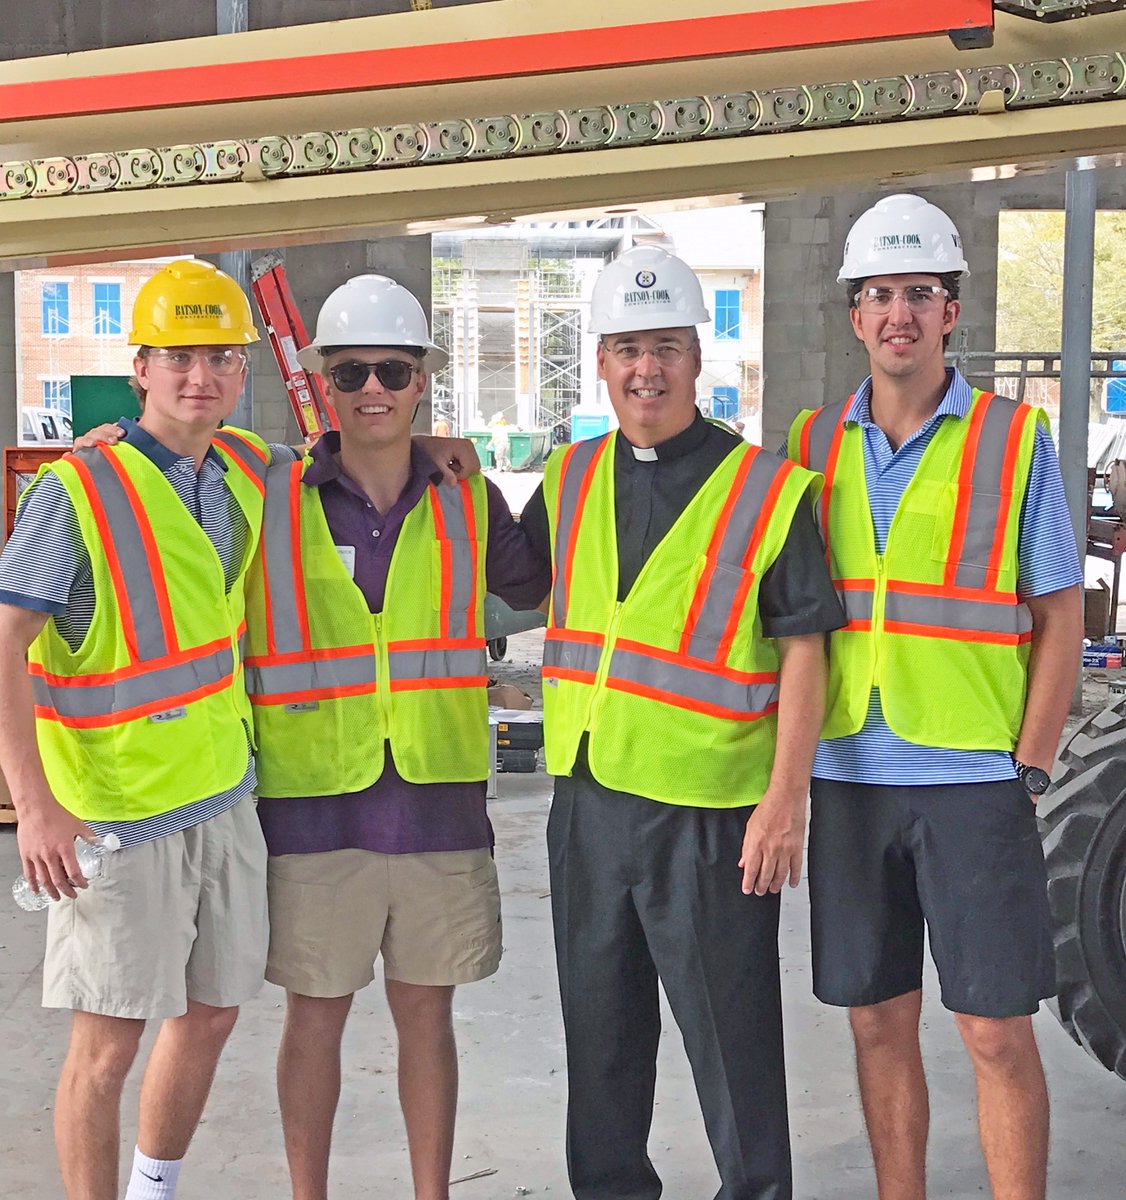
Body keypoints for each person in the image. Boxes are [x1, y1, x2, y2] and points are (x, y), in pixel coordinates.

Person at [519, 245, 845, 1200]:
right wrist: (434, 458)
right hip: (588, 804)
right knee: (601, 1036)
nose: (644, 370)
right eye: (625, 348)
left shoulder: (764, 490)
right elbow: (491, 569)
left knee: (733, 1041)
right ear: (602, 363)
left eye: (663, 346)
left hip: (711, 816)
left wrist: (786, 803)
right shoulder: (571, 476)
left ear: (698, 358)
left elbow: (803, 649)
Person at [786, 193, 1084, 1200]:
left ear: (951, 310)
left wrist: (1032, 763)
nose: (897, 313)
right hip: (849, 775)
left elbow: (1058, 614)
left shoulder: (1009, 439)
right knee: (875, 1020)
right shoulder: (809, 444)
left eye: (919, 292)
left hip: (972, 778)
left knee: (994, 1031)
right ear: (856, 314)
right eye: (878, 294)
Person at [242, 274, 549, 1200]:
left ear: (424, 380)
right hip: (313, 805)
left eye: (392, 369)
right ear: (323, 385)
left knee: (428, 1019)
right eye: (350, 372)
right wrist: (105, 443)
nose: (371, 387)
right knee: (315, 1019)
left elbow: (534, 588)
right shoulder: (268, 493)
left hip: (437, 801)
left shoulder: (470, 496)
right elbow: (175, 454)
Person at [0, 260, 272, 1200]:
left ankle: (153, 1188)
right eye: (180, 357)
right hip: (114, 821)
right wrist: (32, 807)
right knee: (106, 1043)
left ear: (242, 373)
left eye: (221, 359)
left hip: (221, 800)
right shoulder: (73, 493)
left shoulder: (239, 469)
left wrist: (446, 443)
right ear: (142, 367)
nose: (201, 376)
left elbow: (348, 448)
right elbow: (5, 643)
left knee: (212, 1012)